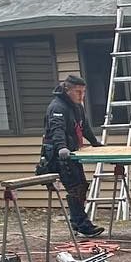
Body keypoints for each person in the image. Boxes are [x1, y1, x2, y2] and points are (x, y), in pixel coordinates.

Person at [40, 74, 104, 239]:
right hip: (58, 154)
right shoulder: (57, 107)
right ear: (67, 90)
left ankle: (78, 223)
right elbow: (57, 130)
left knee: (81, 185)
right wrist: (61, 147)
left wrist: (95, 142)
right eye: (78, 92)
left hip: (72, 153)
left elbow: (84, 127)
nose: (81, 96)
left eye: (83, 92)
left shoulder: (77, 106)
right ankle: (82, 225)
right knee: (75, 188)